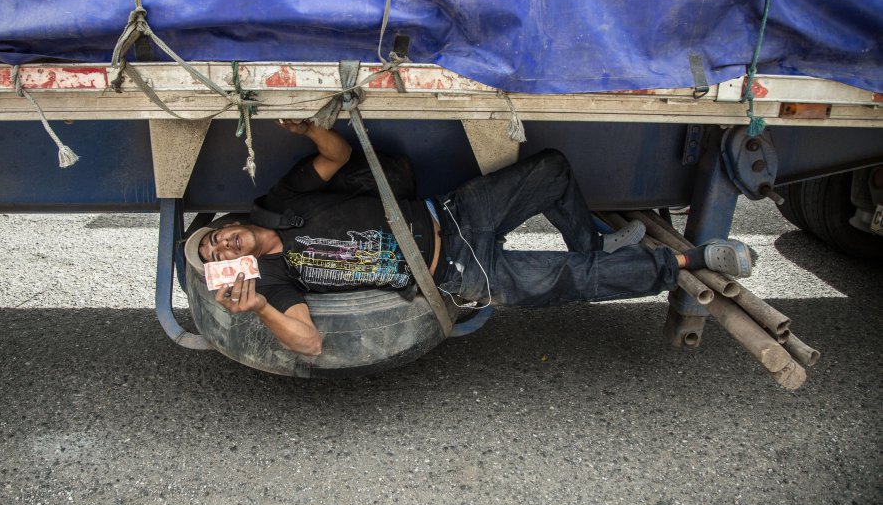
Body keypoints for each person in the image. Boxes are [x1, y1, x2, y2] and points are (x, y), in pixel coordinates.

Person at [184, 121, 753, 356]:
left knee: (550, 168)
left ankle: (593, 242)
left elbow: (335, 155)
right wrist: (258, 306)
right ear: (228, 271)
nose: (221, 247)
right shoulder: (276, 281)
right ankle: (683, 260)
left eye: (215, 237)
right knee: (569, 283)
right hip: (455, 275)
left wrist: (311, 129)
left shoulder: (283, 203)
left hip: (452, 215)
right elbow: (307, 344)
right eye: (212, 256)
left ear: (230, 223)